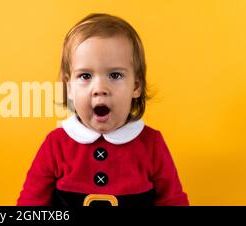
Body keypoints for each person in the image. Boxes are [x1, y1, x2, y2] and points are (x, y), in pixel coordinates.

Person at [17, 13, 189, 206]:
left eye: (115, 75)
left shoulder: (152, 145)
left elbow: (173, 201)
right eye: (85, 76)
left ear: (136, 86)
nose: (99, 89)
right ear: (70, 87)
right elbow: (29, 204)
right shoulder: (56, 145)